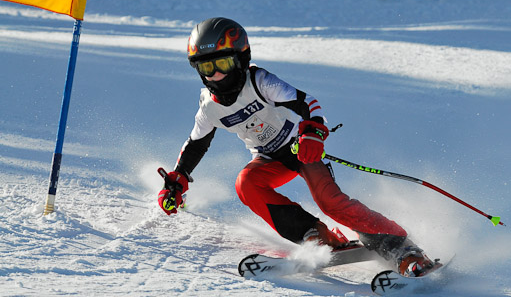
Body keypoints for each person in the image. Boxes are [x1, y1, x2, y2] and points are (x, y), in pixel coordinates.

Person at [158, 17, 435, 277]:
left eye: (223, 64)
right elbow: (196, 143)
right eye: (207, 68)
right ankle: (314, 234)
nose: (216, 76)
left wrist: (313, 133)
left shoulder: (260, 82)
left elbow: (307, 103)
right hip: (269, 160)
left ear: (241, 59)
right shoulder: (209, 106)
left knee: (330, 201)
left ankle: (403, 248)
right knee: (246, 184)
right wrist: (177, 181)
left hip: (301, 150)